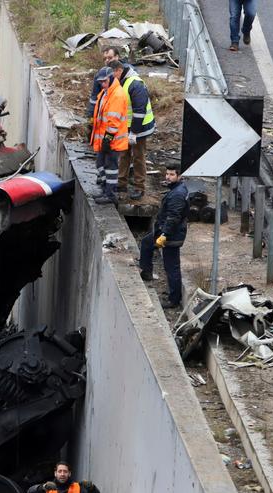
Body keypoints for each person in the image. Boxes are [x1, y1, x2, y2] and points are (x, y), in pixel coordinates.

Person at [139, 163, 188, 309]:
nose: (168, 177)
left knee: (171, 266)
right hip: (166, 231)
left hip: (172, 234)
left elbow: (173, 217)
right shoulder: (176, 190)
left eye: (172, 174)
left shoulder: (178, 194)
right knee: (147, 243)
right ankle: (146, 271)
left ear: (179, 176)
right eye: (167, 174)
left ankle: (174, 300)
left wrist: (165, 235)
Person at [91, 60, 129, 204]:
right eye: (100, 82)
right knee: (101, 164)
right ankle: (105, 189)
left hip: (113, 140)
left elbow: (114, 121)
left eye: (104, 81)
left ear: (111, 78)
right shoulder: (106, 92)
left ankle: (110, 194)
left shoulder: (117, 95)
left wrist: (107, 139)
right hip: (105, 139)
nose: (102, 84)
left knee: (111, 167)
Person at [117, 63, 155, 201]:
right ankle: (121, 184)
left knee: (138, 157)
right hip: (126, 126)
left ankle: (140, 188)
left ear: (119, 71)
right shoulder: (121, 81)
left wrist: (134, 133)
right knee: (124, 154)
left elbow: (139, 112)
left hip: (140, 128)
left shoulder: (136, 85)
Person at [86, 46, 126, 119]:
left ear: (117, 57)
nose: (107, 60)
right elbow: (95, 96)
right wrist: (91, 115)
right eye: (105, 58)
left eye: (110, 58)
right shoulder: (100, 75)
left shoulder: (126, 72)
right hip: (107, 114)